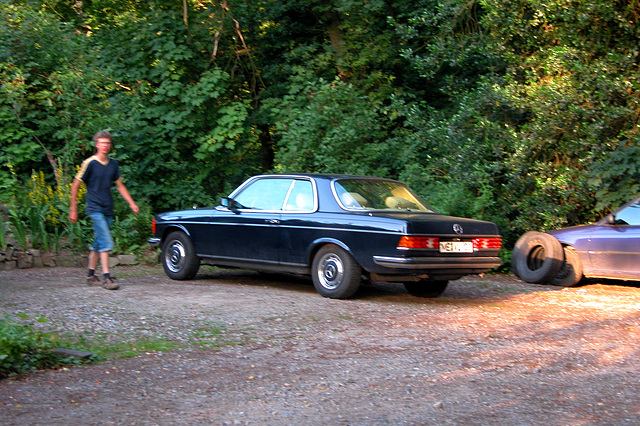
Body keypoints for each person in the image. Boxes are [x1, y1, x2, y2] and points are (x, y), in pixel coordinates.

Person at [69, 130, 139, 290]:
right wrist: (73, 209)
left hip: (108, 207)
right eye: (102, 143)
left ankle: (90, 275)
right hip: (94, 207)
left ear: (110, 145)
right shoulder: (90, 163)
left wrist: (131, 203)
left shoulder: (113, 164)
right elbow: (76, 184)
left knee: (99, 242)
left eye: (107, 143)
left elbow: (119, 185)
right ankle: (107, 277)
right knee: (106, 241)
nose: (105, 146)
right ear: (96, 144)